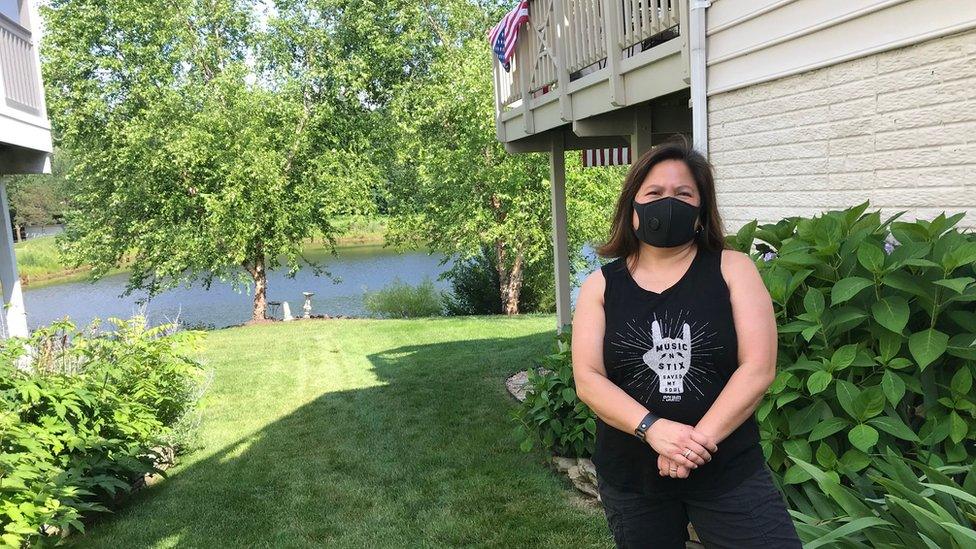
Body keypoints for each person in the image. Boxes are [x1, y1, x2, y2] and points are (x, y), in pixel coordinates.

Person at [571, 135, 802, 548]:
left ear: (700, 211)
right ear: (633, 209)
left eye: (683, 193)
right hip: (632, 479)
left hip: (728, 471)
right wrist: (653, 429)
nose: (668, 202)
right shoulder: (600, 286)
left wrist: (689, 446)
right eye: (655, 193)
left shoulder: (733, 269)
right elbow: (589, 378)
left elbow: (758, 367)